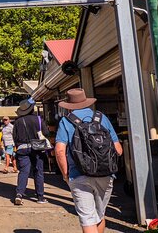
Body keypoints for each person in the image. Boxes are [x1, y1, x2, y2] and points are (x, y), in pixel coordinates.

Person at [55, 89, 123, 233]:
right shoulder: (102, 118)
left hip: (78, 175)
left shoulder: (66, 121)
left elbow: (60, 150)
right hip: (105, 174)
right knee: (99, 215)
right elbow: (118, 150)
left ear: (69, 104)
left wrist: (65, 174)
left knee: (88, 218)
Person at [12, 97, 50, 205]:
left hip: (22, 148)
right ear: (32, 109)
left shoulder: (18, 121)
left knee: (24, 171)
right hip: (37, 148)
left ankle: (19, 194)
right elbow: (46, 133)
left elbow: (15, 137)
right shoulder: (38, 119)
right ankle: (40, 197)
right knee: (38, 171)